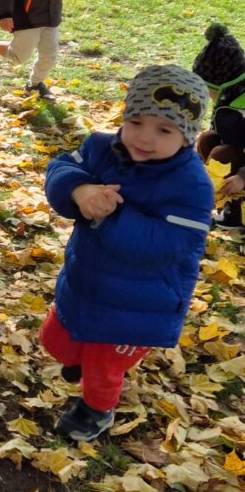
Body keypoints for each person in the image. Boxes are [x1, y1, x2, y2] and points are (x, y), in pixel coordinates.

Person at [42, 65, 212, 442]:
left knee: (104, 368)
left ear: (186, 137)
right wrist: (79, 191)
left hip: (139, 304)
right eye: (136, 122)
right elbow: (60, 167)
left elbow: (166, 246)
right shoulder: (102, 147)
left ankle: (96, 412)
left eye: (164, 130)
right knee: (54, 337)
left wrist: (111, 215)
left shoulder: (191, 185)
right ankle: (77, 360)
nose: (145, 138)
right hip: (88, 279)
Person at [192, 23, 245, 228]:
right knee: (208, 140)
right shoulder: (234, 95)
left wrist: (242, 176)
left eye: (207, 89)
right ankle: (226, 202)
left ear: (222, 83)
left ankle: (236, 214)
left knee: (222, 154)